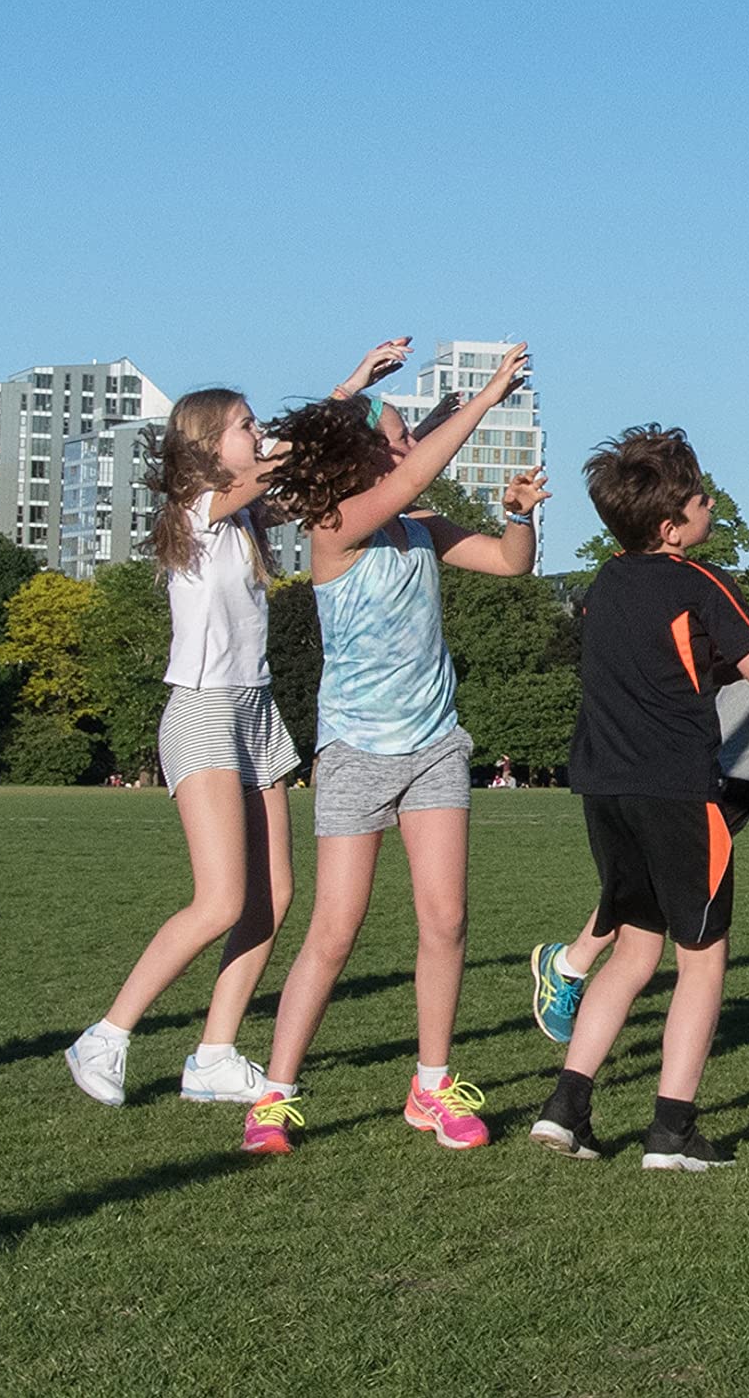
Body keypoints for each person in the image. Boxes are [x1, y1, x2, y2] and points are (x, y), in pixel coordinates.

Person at [65, 344, 405, 1111]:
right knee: (220, 899)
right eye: (245, 425)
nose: (256, 434)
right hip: (202, 709)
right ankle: (107, 1035)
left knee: (273, 898)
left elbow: (299, 473)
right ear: (207, 443)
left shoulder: (245, 513)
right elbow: (286, 461)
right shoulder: (200, 508)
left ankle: (214, 1053)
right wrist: (349, 385)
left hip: (255, 709)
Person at [527, 432, 749, 1168]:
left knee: (632, 949)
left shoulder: (607, 583)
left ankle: (566, 1108)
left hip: (604, 786)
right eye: (700, 497)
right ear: (669, 526)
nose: (711, 503)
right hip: (679, 790)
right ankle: (672, 1130)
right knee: (702, 960)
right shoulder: (700, 582)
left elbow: (684, 665)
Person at [237, 347, 541, 1156]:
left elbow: (512, 563)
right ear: (360, 457)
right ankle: (273, 1096)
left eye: (410, 438)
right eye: (399, 439)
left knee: (445, 919)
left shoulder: (419, 528)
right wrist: (487, 396)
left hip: (436, 745)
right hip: (356, 751)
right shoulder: (334, 528)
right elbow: (407, 480)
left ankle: (431, 1085)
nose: (408, 451)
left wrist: (520, 512)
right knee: (334, 930)